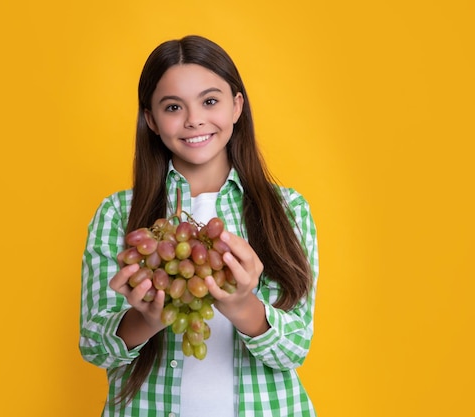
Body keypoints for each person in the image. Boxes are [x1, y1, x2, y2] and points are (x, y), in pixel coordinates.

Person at [79, 35, 319, 416]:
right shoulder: (117, 213)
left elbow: (295, 348)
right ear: (151, 121)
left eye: (210, 101)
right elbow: (93, 346)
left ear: (237, 106)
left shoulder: (287, 211)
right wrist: (146, 318)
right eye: (173, 106)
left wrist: (243, 304)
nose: (194, 119)